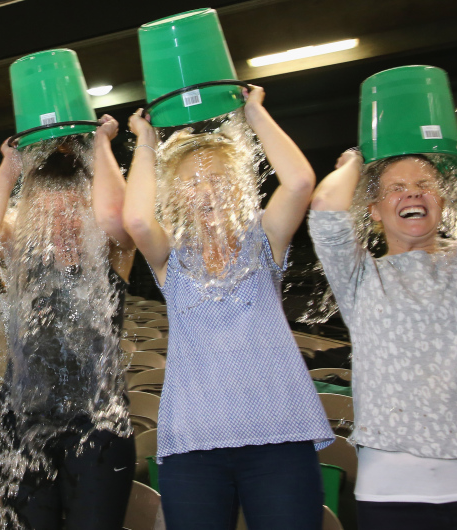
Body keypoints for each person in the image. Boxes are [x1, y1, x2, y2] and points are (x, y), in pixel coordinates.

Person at [122, 86, 333, 530]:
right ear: (177, 198)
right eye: (193, 183)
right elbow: (139, 220)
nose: (208, 191)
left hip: (280, 436)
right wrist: (144, 143)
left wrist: (254, 114)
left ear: (240, 187)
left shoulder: (264, 240)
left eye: (220, 180)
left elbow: (298, 182)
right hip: (195, 445)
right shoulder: (171, 258)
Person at [0, 110, 137, 529]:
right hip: (22, 427)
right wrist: (11, 166)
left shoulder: (112, 250)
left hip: (98, 428)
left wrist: (101, 148)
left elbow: (118, 215)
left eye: (73, 210)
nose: (63, 224)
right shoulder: (21, 254)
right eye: (49, 214)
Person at [310, 149, 457, 530]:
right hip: (388, 491)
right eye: (396, 188)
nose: (412, 194)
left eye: (424, 186)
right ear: (375, 210)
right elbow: (324, 207)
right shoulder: (361, 277)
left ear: (443, 202)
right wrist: (356, 160)